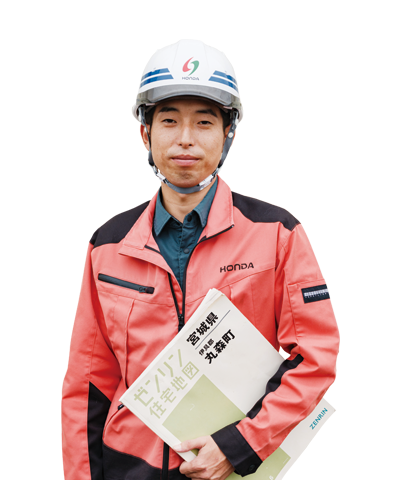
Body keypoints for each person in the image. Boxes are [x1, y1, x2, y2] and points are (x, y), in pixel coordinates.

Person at [61, 40, 339, 480]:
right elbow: (88, 384)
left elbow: (314, 359)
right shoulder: (109, 244)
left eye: (205, 122)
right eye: (169, 120)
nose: (185, 138)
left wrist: (238, 447)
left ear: (228, 134)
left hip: (235, 469)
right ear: (145, 133)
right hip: (127, 467)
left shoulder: (277, 234)